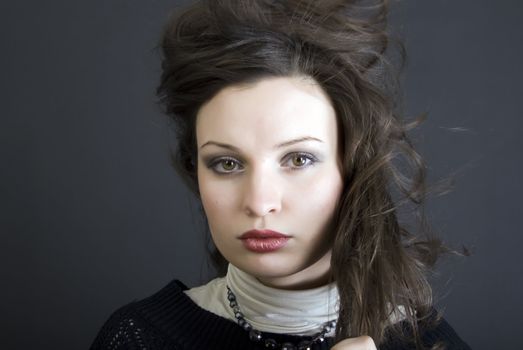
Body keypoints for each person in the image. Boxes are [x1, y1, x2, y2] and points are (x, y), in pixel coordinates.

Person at [90, 0, 470, 349]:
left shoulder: (430, 344)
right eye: (227, 163)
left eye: (299, 159)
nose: (259, 202)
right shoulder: (139, 338)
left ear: (352, 168)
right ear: (196, 170)